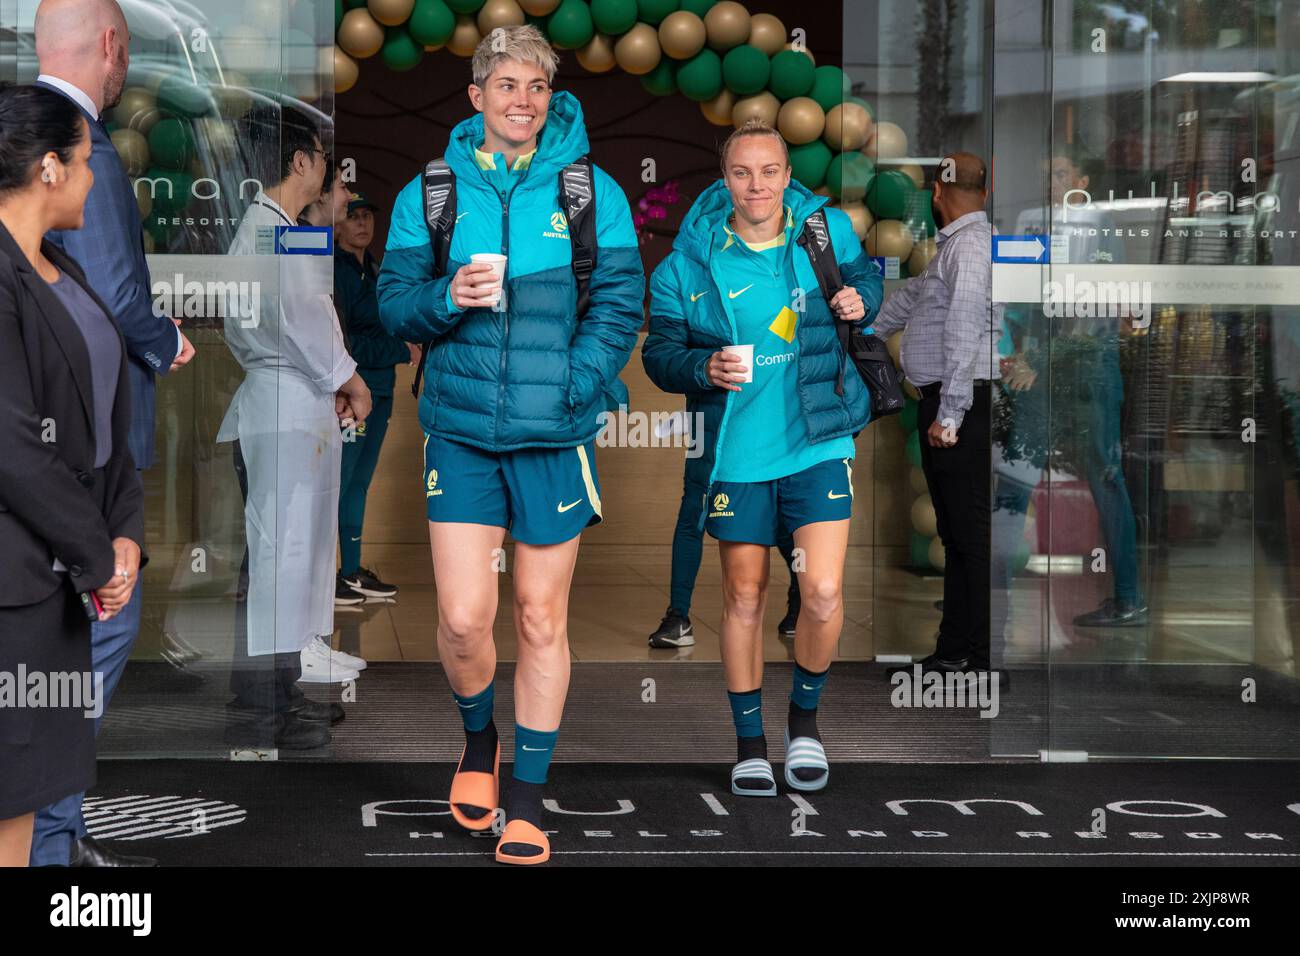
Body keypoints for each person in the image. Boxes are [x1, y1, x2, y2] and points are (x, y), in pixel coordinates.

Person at [378, 25, 643, 864]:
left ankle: (526, 797)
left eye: (535, 86)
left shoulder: (590, 191)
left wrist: (578, 384)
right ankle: (479, 738)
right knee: (463, 621)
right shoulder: (432, 192)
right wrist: (446, 293)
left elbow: (619, 305)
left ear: (550, 95)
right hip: (459, 430)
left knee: (538, 617)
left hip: (552, 435)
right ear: (476, 97)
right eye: (505, 86)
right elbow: (392, 304)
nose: (521, 100)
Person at [643, 119, 881, 796]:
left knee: (824, 592)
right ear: (726, 180)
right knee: (744, 596)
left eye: (770, 171)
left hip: (818, 439)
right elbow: (659, 354)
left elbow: (867, 281)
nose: (757, 186)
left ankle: (803, 724)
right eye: (743, 173)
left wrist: (864, 299)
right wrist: (701, 365)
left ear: (787, 174)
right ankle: (750, 742)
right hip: (738, 455)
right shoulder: (690, 262)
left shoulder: (823, 233)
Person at [30, 0, 195, 868]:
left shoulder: (37, 133)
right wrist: (165, 338)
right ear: (111, 47)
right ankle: (50, 842)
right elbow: (111, 296)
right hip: (79, 457)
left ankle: (53, 830)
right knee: (96, 630)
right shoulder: (69, 141)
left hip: (61, 453)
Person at [0, 83, 145, 867]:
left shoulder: (57, 265)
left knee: (25, 787)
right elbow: (13, 445)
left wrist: (124, 532)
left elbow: (103, 427)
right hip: (17, 582)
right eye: (86, 164)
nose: (94, 180)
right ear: (49, 167)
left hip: (62, 579)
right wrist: (96, 555)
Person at [216, 104, 372, 749]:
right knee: (280, 560)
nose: (327, 175)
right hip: (286, 408)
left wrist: (333, 377)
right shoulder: (279, 233)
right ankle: (262, 711)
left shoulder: (268, 227)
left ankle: (275, 698)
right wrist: (351, 380)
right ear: (300, 162)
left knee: (282, 558)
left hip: (284, 403)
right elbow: (309, 321)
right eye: (321, 160)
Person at [999, 150, 1147, 629]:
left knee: (1106, 478)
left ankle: (1128, 597)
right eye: (1046, 176)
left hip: (1087, 370)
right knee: (1015, 471)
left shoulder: (1100, 228)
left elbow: (1093, 316)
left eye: (1060, 174)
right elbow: (1020, 306)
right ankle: (990, 590)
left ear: (1082, 180)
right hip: (1041, 369)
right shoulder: (1035, 228)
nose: (1051, 184)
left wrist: (1035, 358)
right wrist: (1017, 356)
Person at [873, 153, 1003, 684]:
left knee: (965, 535)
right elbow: (910, 303)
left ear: (935, 194)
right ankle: (960, 650)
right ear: (985, 192)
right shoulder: (954, 247)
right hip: (952, 402)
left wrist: (949, 414)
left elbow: (964, 329)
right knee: (957, 534)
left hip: (960, 406)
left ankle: (969, 653)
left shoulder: (968, 246)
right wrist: (866, 329)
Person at [334, 190, 411, 603]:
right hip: (350, 393)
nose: (362, 223)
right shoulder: (334, 269)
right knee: (340, 483)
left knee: (358, 483)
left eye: (368, 216)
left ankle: (350, 572)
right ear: (338, 222)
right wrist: (401, 350)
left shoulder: (377, 268)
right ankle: (327, 578)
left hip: (382, 389)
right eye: (353, 215)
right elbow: (344, 344)